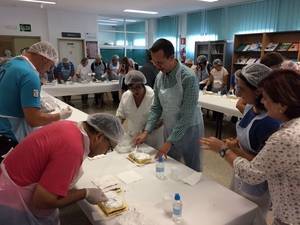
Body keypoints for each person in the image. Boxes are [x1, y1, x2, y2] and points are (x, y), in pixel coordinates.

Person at [201, 69, 300, 225]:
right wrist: (236, 147)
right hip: (284, 205)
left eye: (266, 98)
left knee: (252, 216)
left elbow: (253, 174)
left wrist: (223, 149)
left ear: (282, 105)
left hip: (290, 215)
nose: (263, 102)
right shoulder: (289, 126)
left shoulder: (283, 136)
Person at [0, 113, 124, 225]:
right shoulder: (72, 148)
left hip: (9, 182)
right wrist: (85, 193)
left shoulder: (71, 127)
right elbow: (42, 202)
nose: (107, 153)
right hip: (14, 202)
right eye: (110, 148)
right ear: (99, 137)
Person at [134, 38, 204, 171]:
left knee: (192, 169)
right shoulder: (160, 77)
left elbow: (186, 115)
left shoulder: (188, 77)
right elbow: (156, 107)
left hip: (190, 129)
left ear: (171, 57)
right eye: (154, 62)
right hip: (170, 126)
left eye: (160, 63)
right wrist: (146, 131)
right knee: (171, 165)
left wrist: (169, 142)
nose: (157, 66)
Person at [0, 41, 72, 156]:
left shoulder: (11, 63)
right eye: (50, 66)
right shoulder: (30, 74)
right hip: (8, 134)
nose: (49, 71)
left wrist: (34, 104)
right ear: (44, 59)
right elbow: (34, 120)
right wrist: (59, 116)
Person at [116, 70, 164, 150]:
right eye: (132, 88)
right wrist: (115, 130)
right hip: (133, 137)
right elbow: (120, 115)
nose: (135, 91)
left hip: (152, 138)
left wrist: (145, 132)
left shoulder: (153, 96)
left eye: (138, 87)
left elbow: (161, 120)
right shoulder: (126, 96)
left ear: (143, 85)